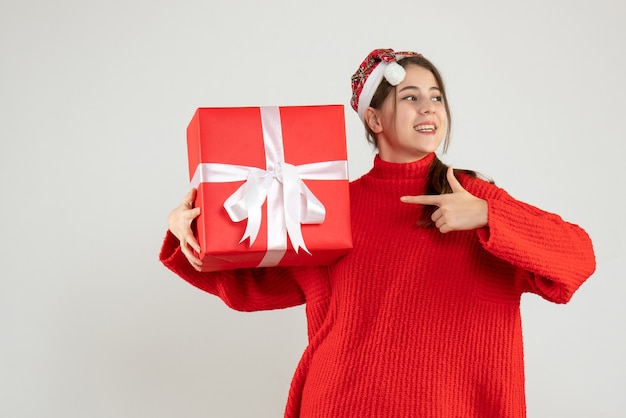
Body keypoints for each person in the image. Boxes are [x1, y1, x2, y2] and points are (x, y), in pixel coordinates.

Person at [160, 48, 596, 417]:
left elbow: (577, 260)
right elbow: (252, 286)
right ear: (374, 118)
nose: (429, 108)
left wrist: (487, 216)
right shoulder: (326, 203)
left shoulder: (472, 198)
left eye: (436, 97)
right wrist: (190, 232)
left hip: (457, 405)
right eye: (411, 97)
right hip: (343, 402)